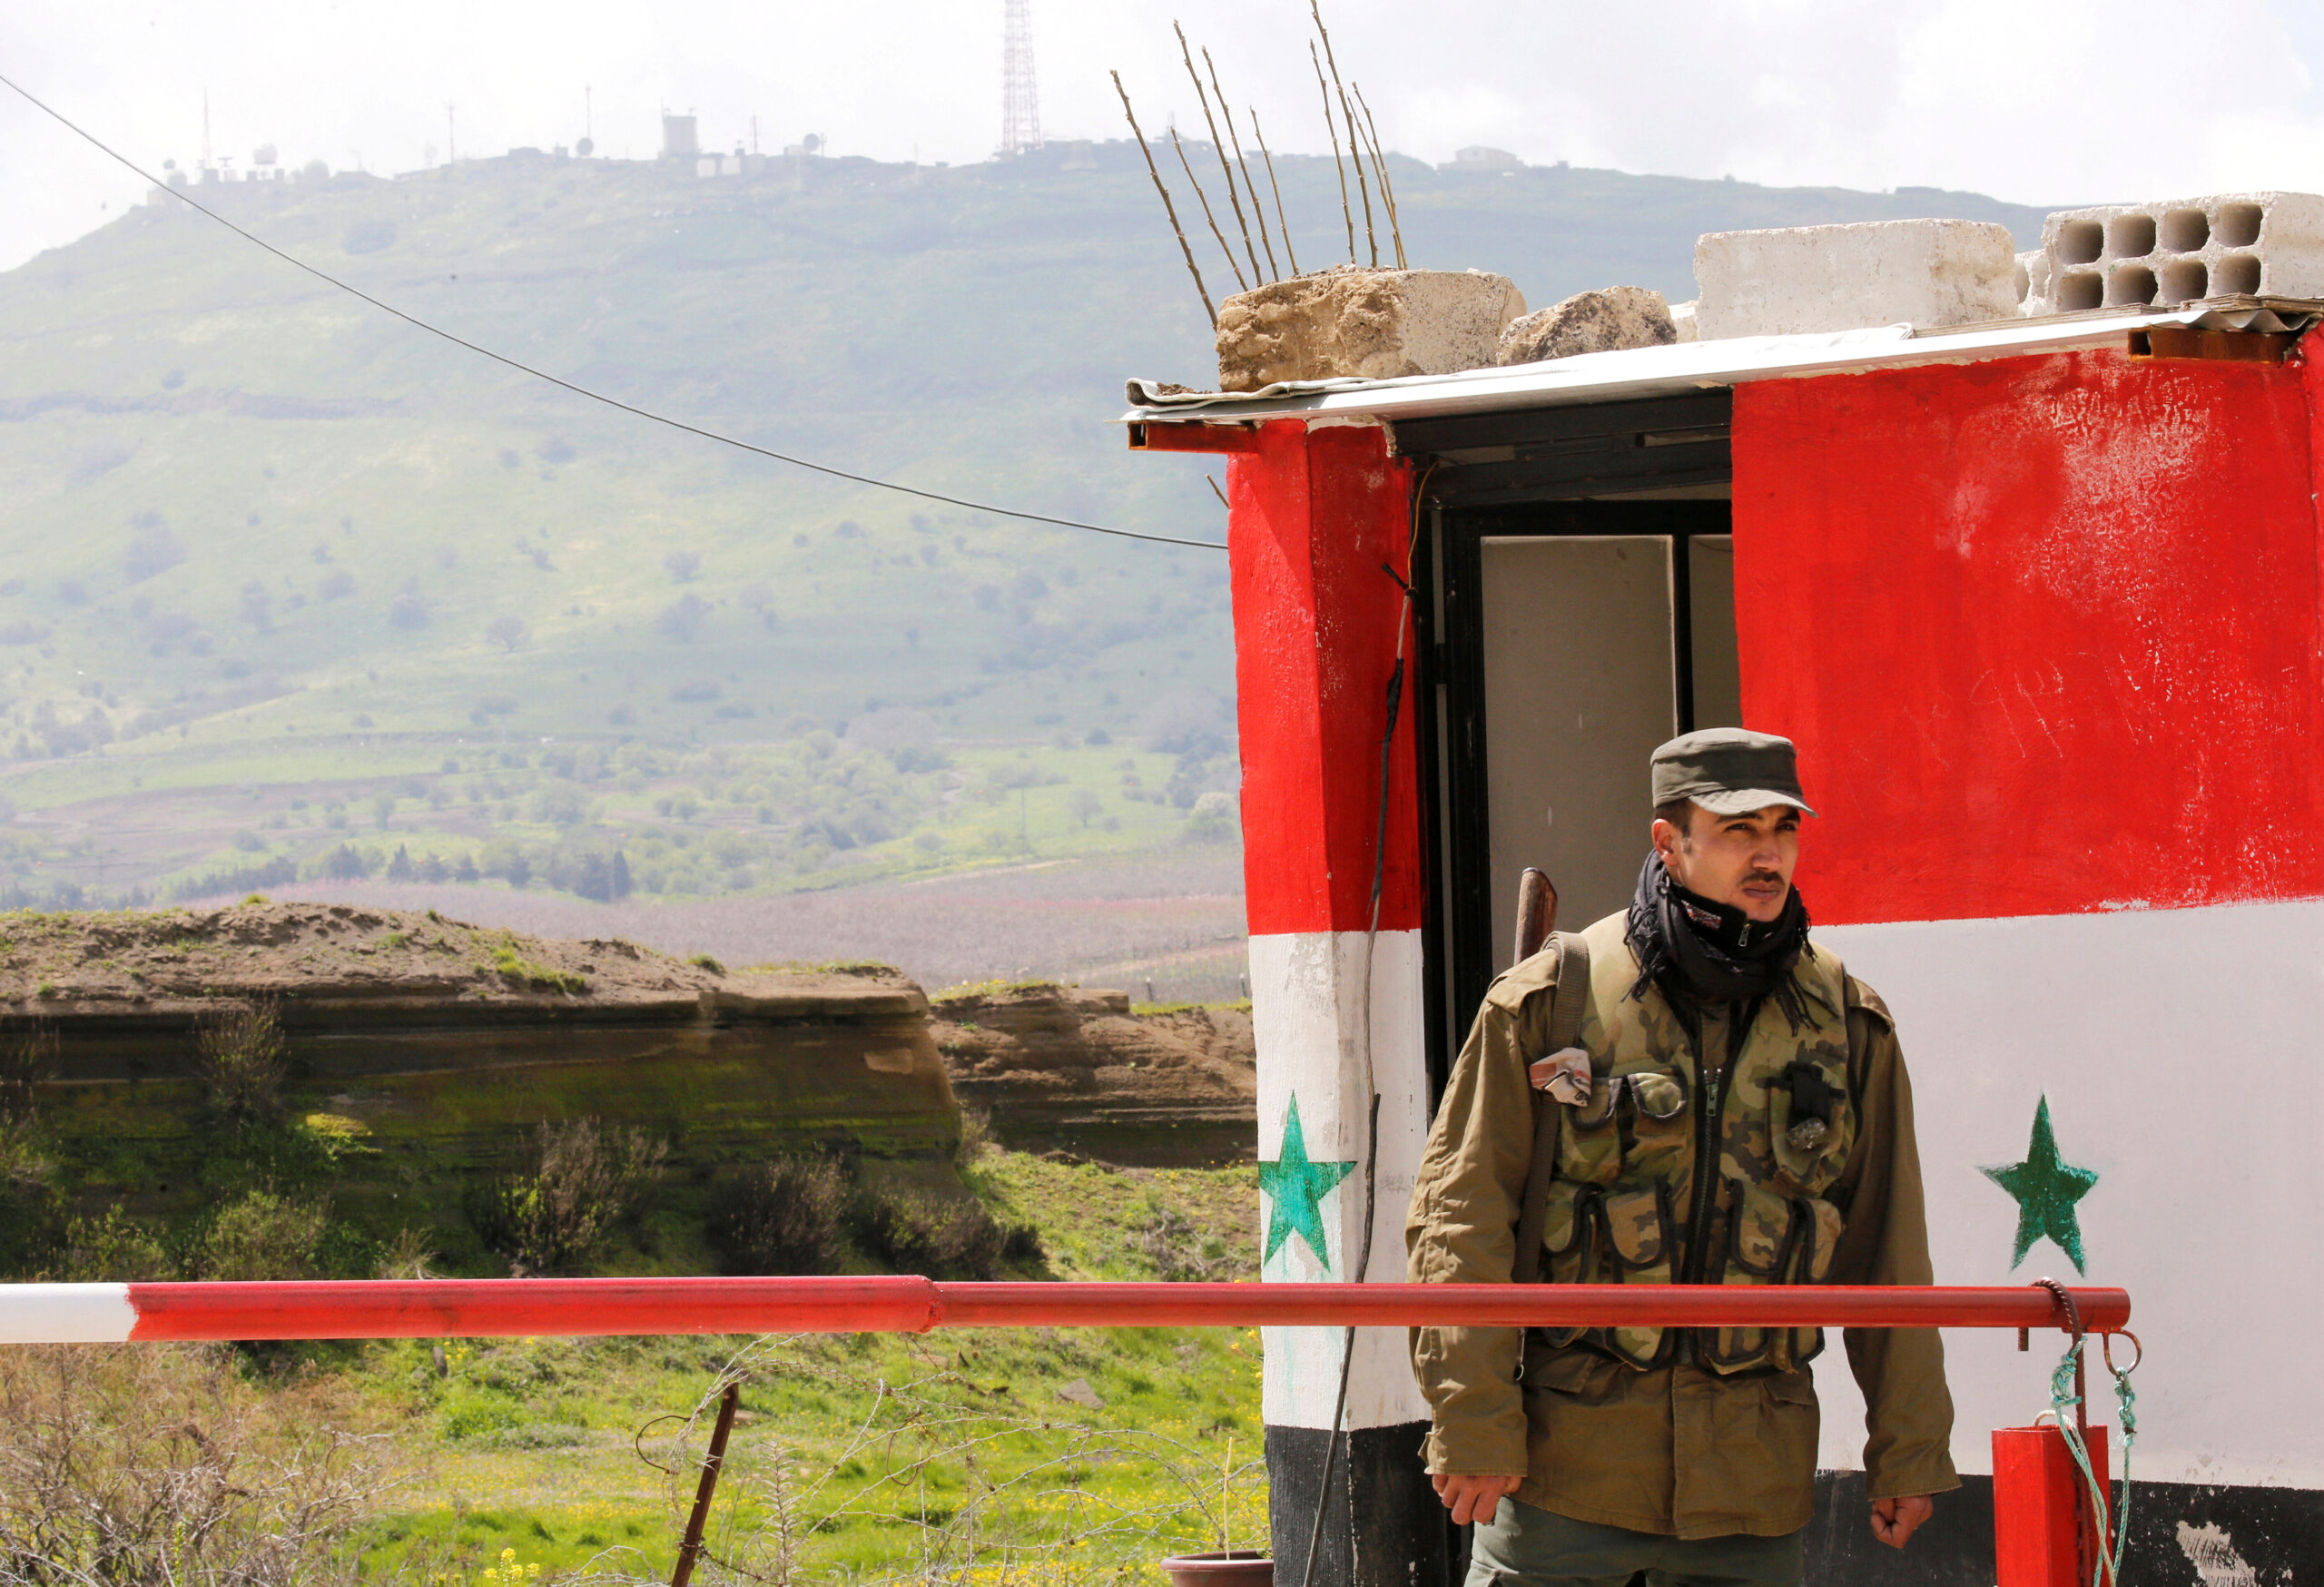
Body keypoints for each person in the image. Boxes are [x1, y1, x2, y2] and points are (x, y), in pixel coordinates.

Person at [1404, 727, 1955, 1587]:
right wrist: (1472, 1422)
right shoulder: (1552, 1004)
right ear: (1670, 840)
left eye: (1784, 828)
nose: (1768, 852)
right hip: (1566, 1482)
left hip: (1754, 1490)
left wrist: (1910, 1448)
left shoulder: (1846, 1024)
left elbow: (1888, 1244)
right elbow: (1461, 1219)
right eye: (1740, 830)